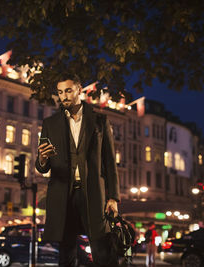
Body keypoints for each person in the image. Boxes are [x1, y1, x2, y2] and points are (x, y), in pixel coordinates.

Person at [35, 73, 120, 267]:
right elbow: (42, 167)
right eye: (59, 92)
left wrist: (113, 197)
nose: (63, 96)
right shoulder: (50, 124)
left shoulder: (99, 121)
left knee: (102, 252)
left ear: (79, 90)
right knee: (66, 255)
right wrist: (42, 158)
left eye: (68, 91)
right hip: (62, 195)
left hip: (93, 195)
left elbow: (109, 162)